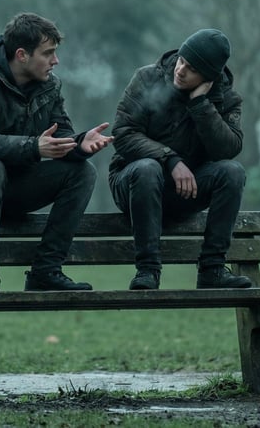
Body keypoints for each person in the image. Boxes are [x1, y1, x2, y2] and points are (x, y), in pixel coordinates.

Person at [0, 12, 115, 292]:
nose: (56, 61)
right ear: (22, 55)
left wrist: (79, 144)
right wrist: (32, 147)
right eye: (48, 53)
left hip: (12, 183)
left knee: (82, 173)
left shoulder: (49, 85)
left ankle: (46, 271)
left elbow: (58, 136)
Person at [108, 28, 252, 290]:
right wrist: (169, 159)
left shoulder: (226, 100)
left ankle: (212, 270)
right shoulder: (147, 78)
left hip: (187, 190)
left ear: (209, 77)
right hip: (133, 184)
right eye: (182, 60)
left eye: (192, 68)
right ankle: (148, 271)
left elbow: (228, 149)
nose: (181, 70)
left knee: (233, 172)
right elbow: (123, 134)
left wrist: (200, 105)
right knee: (148, 169)